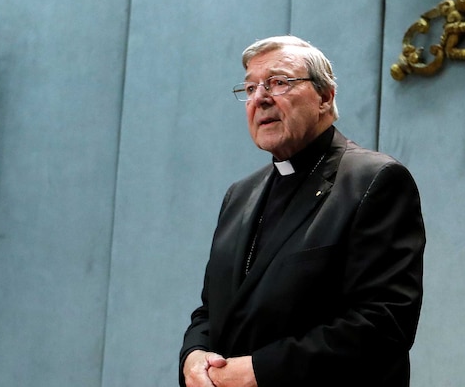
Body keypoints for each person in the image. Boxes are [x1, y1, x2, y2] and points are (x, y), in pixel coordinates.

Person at [180, 35, 425, 387]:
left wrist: (259, 371)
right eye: (249, 89)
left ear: (325, 97)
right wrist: (194, 356)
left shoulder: (373, 181)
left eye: (278, 82)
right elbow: (212, 310)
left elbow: (384, 323)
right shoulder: (240, 195)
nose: (260, 98)